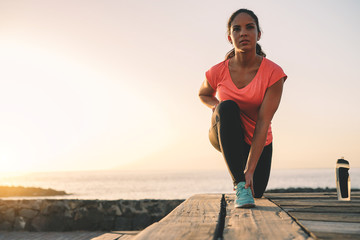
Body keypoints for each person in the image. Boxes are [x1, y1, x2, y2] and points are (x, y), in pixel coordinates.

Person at [198, 9, 287, 208]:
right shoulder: (217, 71)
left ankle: (243, 180)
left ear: (259, 34)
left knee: (258, 191)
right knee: (227, 107)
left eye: (250, 27)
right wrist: (216, 106)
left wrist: (250, 169)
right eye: (237, 29)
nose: (243, 33)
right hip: (226, 132)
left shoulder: (274, 73)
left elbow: (264, 122)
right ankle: (239, 185)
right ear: (230, 37)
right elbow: (203, 94)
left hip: (258, 139)